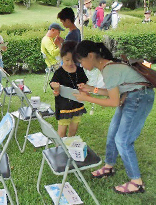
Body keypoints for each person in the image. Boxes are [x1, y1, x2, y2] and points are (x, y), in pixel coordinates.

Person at [73, 40, 155, 194]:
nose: (82, 65)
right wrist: (92, 89)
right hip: (130, 96)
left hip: (138, 98)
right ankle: (109, 167)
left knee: (123, 140)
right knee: (112, 134)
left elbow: (113, 101)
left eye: (81, 61)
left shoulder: (109, 69)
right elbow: (113, 92)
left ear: (90, 56)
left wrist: (87, 98)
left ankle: (136, 183)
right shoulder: (107, 67)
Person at [50, 41, 87, 138]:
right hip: (64, 107)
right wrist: (55, 87)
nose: (70, 63)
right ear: (62, 57)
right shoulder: (59, 72)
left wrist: (83, 87)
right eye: (67, 60)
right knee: (61, 133)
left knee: (73, 132)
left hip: (77, 105)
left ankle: (70, 149)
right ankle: (60, 150)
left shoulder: (79, 71)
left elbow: (85, 84)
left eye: (73, 60)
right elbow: (52, 83)